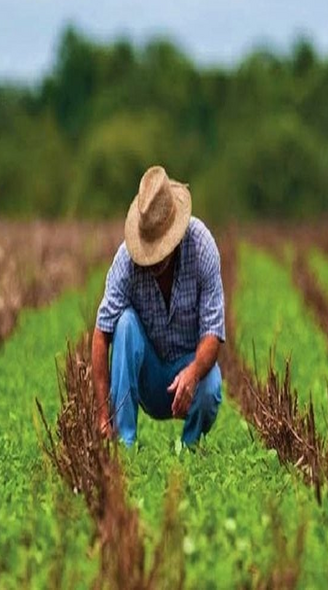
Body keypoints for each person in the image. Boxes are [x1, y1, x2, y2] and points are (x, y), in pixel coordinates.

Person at [92, 165, 225, 447]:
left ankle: (190, 449)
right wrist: (103, 414)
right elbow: (101, 334)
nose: (153, 261)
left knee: (210, 384)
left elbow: (213, 333)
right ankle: (124, 444)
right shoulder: (126, 261)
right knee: (124, 323)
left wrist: (192, 373)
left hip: (189, 368)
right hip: (148, 379)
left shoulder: (202, 247)